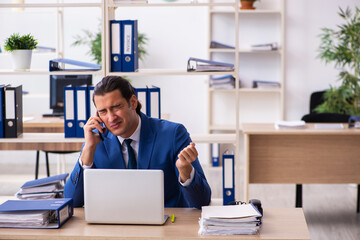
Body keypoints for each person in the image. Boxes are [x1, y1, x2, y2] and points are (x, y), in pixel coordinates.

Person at [64, 76, 211, 209]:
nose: (110, 118)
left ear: (133, 102)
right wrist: (88, 149)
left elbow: (202, 201)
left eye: (116, 108)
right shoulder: (96, 141)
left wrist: (185, 171)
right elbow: (72, 201)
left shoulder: (173, 134)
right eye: (103, 111)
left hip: (165, 227)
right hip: (114, 226)